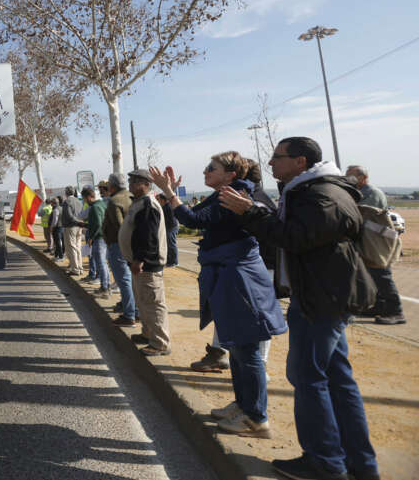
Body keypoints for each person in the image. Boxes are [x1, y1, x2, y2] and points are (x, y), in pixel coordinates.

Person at [220, 137, 380, 480]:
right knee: (337, 379)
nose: (272, 162)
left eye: (278, 157)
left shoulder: (321, 194)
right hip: (323, 296)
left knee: (309, 377)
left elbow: (295, 237)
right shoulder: (312, 190)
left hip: (321, 299)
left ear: (301, 161)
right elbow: (299, 233)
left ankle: (325, 461)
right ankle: (358, 464)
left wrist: (248, 212)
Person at [151, 151, 286, 440]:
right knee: (235, 346)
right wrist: (171, 192)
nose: (205, 171)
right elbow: (199, 217)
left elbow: (194, 220)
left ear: (231, 174)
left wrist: (169, 193)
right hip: (227, 274)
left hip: (240, 278)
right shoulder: (226, 191)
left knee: (247, 350)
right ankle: (243, 405)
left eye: (211, 168)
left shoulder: (235, 195)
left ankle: (256, 419)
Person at [345, 164, 403, 325]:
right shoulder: (359, 192)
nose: (348, 179)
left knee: (382, 276)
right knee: (371, 276)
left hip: (376, 242)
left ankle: (396, 311)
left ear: (363, 178)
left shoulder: (372, 194)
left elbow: (359, 213)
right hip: (365, 240)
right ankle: (379, 306)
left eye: (351, 176)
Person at [121, 170, 170, 355]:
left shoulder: (148, 204)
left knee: (153, 303)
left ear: (147, 184)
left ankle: (160, 343)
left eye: (135, 182)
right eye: (130, 181)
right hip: (138, 263)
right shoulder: (139, 202)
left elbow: (148, 236)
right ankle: (148, 334)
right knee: (143, 301)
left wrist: (140, 259)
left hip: (147, 264)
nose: (131, 184)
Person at [102, 173, 137, 327]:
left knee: (124, 280)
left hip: (118, 245)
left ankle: (129, 314)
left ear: (112, 186)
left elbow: (119, 226)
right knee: (131, 280)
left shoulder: (114, 201)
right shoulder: (132, 197)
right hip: (132, 245)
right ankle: (135, 311)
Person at [82, 187, 111, 297]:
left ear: (89, 197)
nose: (85, 201)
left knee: (101, 264)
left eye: (85, 199)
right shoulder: (102, 204)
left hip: (99, 238)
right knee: (103, 264)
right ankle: (106, 286)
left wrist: (91, 237)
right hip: (104, 237)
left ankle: (105, 288)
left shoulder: (95, 207)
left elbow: (98, 225)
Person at [60, 186, 87, 276]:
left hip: (71, 226)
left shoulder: (67, 201)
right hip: (79, 226)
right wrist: (80, 222)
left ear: (66, 192)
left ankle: (75, 269)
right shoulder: (79, 201)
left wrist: (76, 221)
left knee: (72, 248)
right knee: (78, 247)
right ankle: (80, 267)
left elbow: (69, 216)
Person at [157, 192, 179, 267]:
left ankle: (174, 262)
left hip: (171, 227)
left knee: (171, 245)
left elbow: (169, 220)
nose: (157, 200)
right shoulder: (164, 206)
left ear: (163, 200)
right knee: (168, 245)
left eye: (158, 199)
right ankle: (169, 261)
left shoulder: (167, 207)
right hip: (168, 227)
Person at [51, 195, 65, 260]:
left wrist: (52, 227)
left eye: (52, 203)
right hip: (62, 227)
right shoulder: (62, 208)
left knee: (57, 242)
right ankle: (57, 255)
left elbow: (55, 220)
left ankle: (61, 256)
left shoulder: (55, 210)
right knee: (61, 241)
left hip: (57, 228)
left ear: (54, 203)